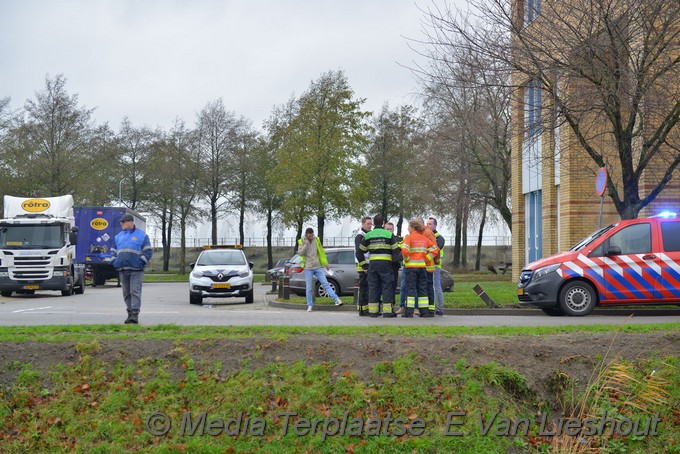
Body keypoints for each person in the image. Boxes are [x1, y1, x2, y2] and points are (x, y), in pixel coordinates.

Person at [110, 214, 152, 324]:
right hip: (123, 269)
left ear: (130, 222)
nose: (121, 224)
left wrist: (141, 262)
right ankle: (129, 313)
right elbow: (113, 251)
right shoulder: (118, 236)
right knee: (126, 293)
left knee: (135, 292)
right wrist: (114, 261)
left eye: (123, 222)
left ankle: (134, 314)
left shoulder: (142, 236)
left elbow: (148, 251)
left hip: (136, 269)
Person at [357, 215, 401, 317]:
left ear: (373, 223)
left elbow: (359, 253)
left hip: (373, 265)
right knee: (387, 287)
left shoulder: (368, 235)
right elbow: (396, 251)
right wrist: (394, 263)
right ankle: (387, 312)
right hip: (386, 265)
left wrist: (364, 266)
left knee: (373, 287)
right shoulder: (388, 235)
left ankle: (373, 312)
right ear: (382, 223)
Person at [297, 228, 343, 312]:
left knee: (326, 284)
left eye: (312, 235)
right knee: (309, 288)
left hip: (318, 267)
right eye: (310, 236)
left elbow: (321, 253)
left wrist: (326, 264)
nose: (311, 237)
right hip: (308, 268)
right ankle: (310, 305)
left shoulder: (316, 240)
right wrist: (305, 245)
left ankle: (337, 300)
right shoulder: (301, 241)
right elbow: (300, 253)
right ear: (306, 234)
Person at [401, 219, 438, 318]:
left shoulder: (409, 238)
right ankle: (424, 312)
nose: (407, 228)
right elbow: (435, 250)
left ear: (412, 227)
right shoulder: (423, 238)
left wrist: (407, 259)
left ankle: (409, 312)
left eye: (408, 226)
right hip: (422, 268)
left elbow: (404, 251)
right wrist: (426, 259)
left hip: (411, 268)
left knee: (410, 289)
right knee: (422, 289)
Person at [427, 217, 446, 316]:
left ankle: (439, 308)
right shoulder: (428, 236)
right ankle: (432, 307)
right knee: (432, 286)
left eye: (430, 224)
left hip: (435, 265)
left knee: (436, 286)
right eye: (427, 224)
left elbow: (435, 250)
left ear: (435, 225)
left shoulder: (439, 238)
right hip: (429, 265)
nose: (428, 226)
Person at [354, 216, 373, 316]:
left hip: (367, 264)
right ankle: (362, 309)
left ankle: (365, 308)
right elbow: (359, 252)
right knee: (364, 288)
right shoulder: (360, 235)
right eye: (368, 224)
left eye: (371, 224)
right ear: (363, 224)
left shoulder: (367, 234)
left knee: (368, 288)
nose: (370, 226)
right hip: (363, 265)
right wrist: (364, 266)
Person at [385, 221, 402, 306]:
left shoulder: (398, 239)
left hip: (394, 266)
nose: (388, 230)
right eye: (387, 229)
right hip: (384, 266)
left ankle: (392, 303)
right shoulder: (382, 239)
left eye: (390, 229)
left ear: (393, 230)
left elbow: (400, 252)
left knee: (393, 285)